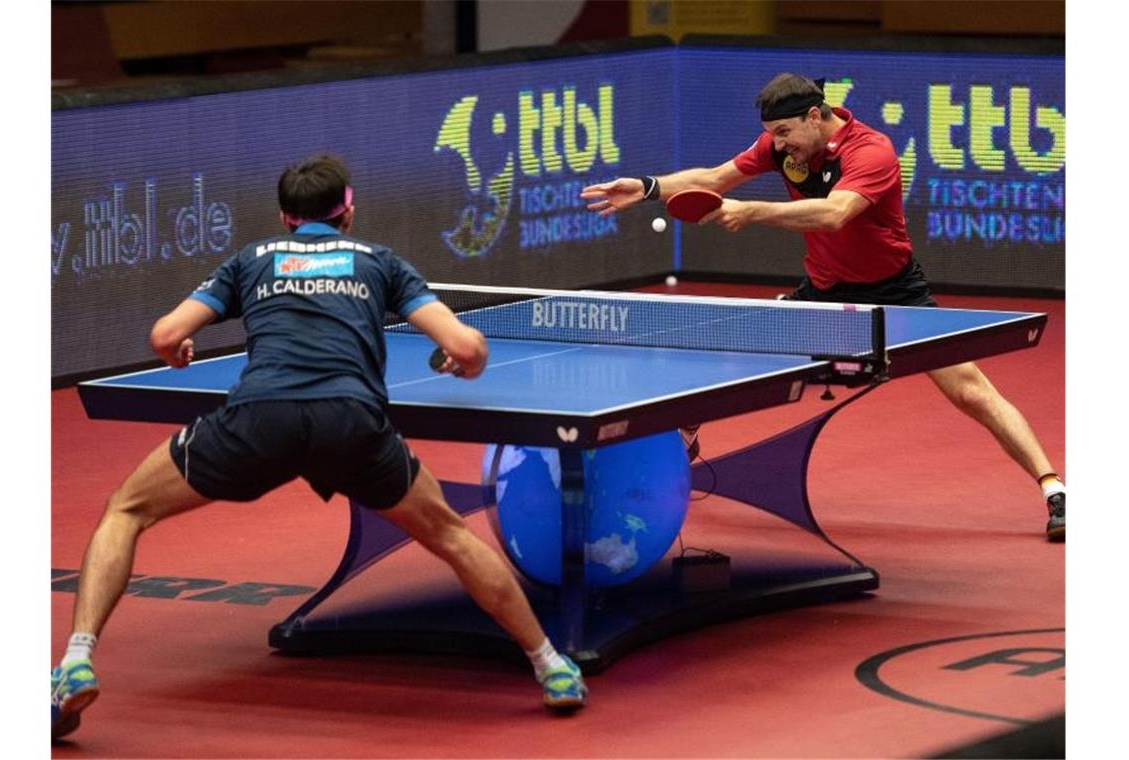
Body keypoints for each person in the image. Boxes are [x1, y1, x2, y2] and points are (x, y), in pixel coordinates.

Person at [52, 155, 586, 740]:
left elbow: (165, 335)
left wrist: (176, 351)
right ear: (348, 213)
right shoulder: (380, 262)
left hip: (260, 419)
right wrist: (464, 364)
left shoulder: (249, 260)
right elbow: (468, 346)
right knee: (451, 536)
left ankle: (76, 658)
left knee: (126, 510)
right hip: (351, 423)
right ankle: (551, 666)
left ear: (285, 218)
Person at [581, 72, 1065, 542]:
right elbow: (714, 178)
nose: (778, 144)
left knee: (971, 392)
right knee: (718, 352)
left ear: (815, 116)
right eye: (772, 135)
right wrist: (646, 187)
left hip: (893, 290)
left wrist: (753, 211)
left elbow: (835, 213)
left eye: (785, 133)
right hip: (824, 291)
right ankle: (680, 447)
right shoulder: (781, 146)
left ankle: (1054, 490)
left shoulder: (871, 151)